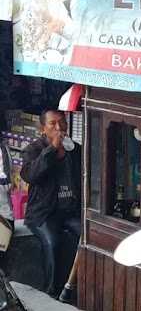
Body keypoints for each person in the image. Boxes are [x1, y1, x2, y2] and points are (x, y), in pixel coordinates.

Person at [21, 110, 81, 299]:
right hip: (43, 213)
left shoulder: (75, 150)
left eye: (62, 123)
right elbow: (30, 175)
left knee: (87, 240)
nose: (58, 128)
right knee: (52, 243)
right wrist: (51, 150)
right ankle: (52, 292)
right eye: (52, 124)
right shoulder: (35, 150)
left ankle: (78, 288)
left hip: (69, 211)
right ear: (43, 129)